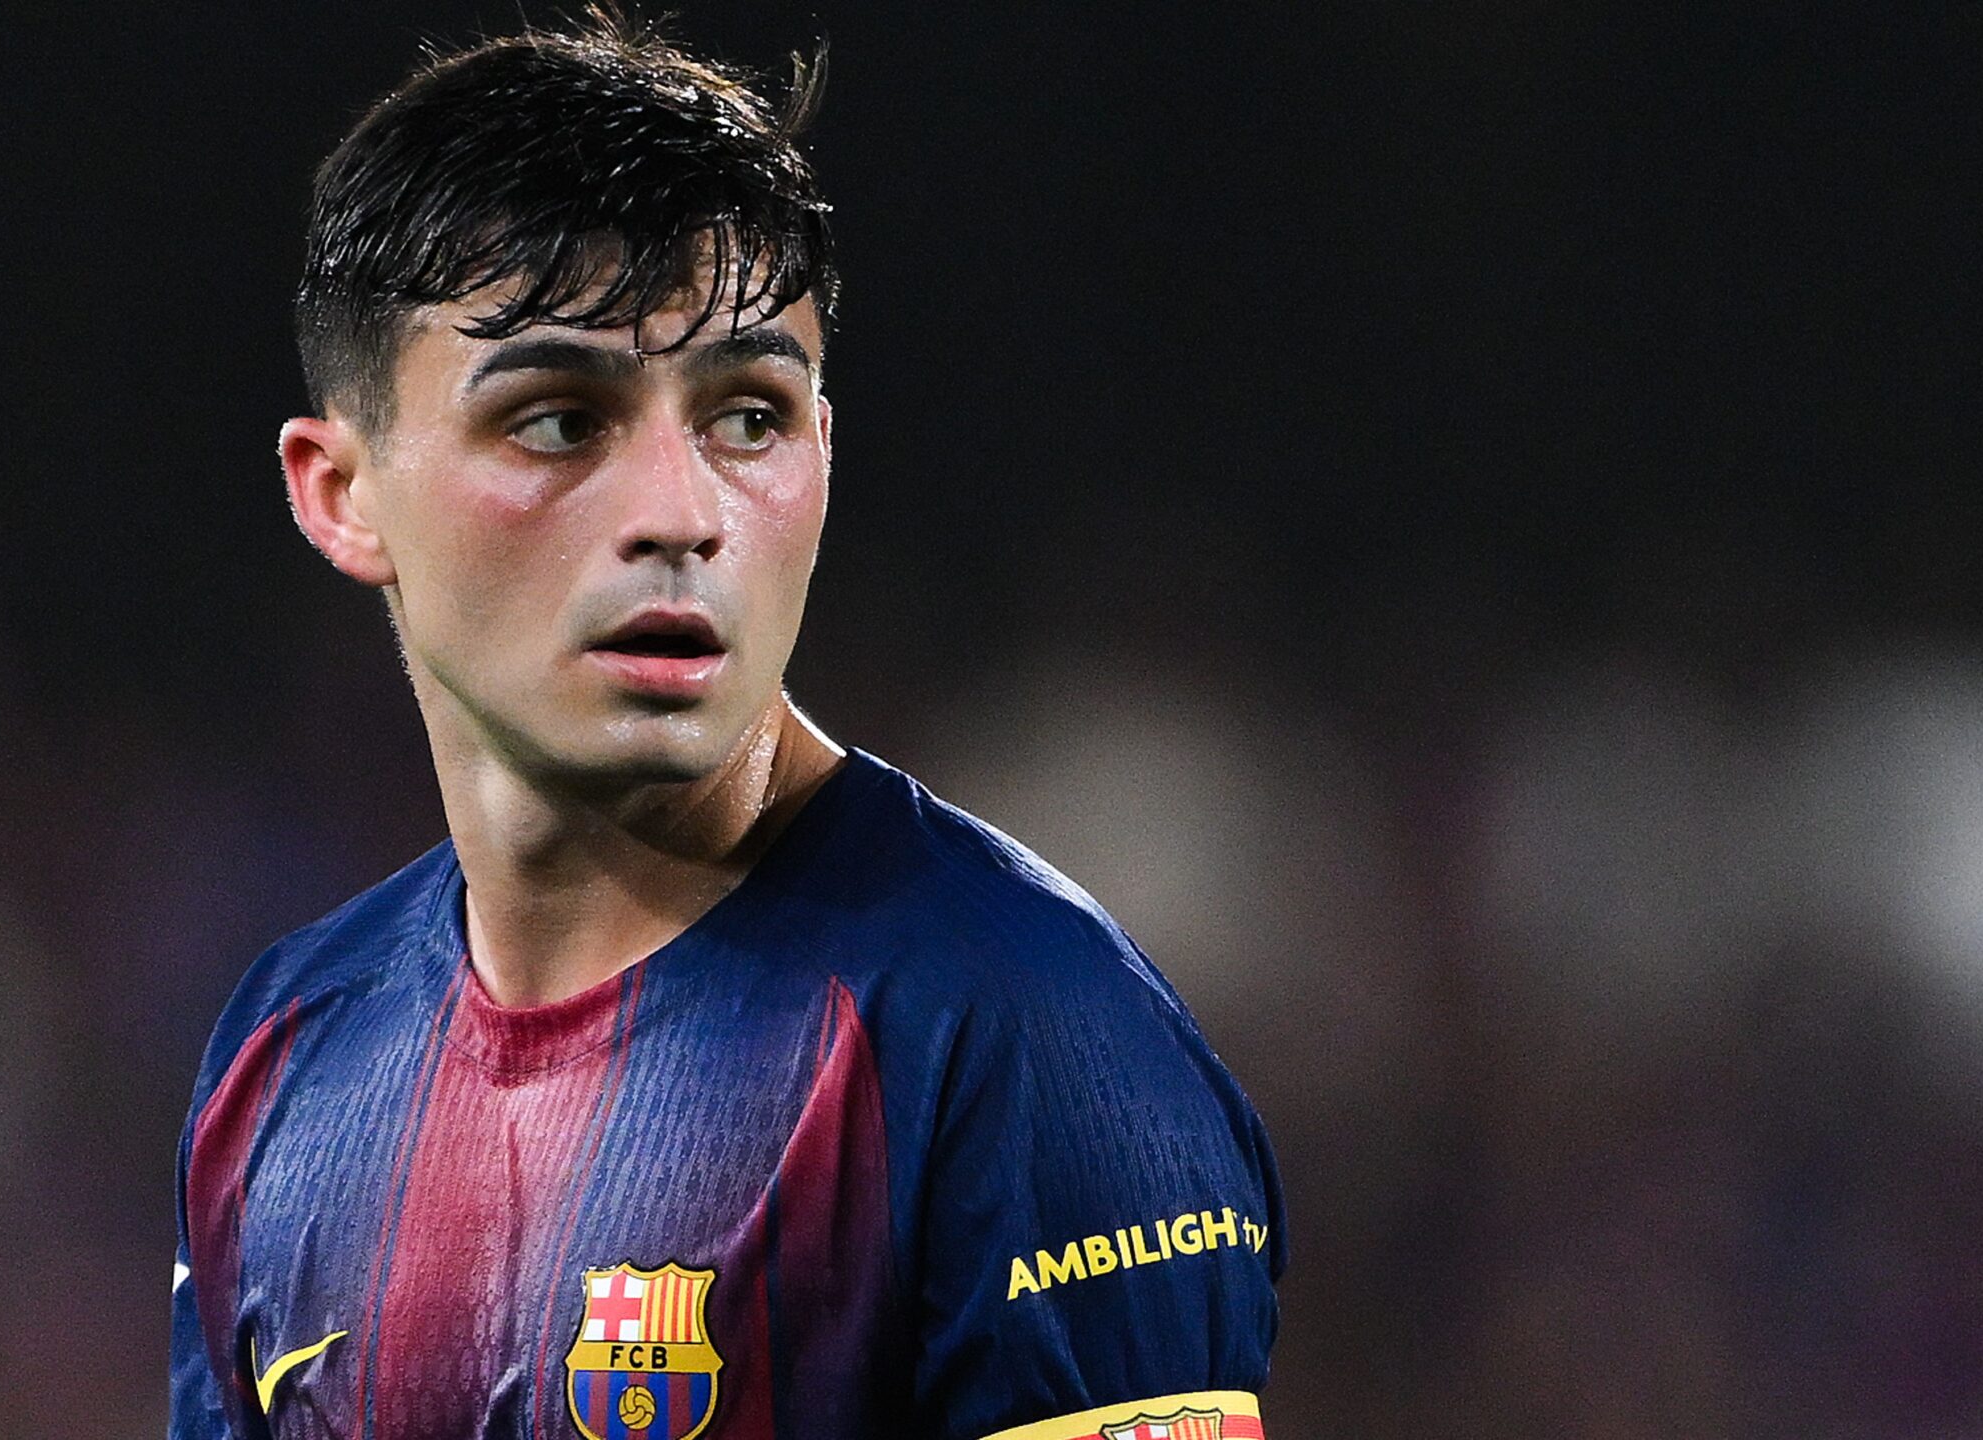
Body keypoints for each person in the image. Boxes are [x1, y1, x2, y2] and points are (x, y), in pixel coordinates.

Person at [170, 16, 1283, 1440]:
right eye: (559, 420)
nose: (681, 513)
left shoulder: (1017, 1034)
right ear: (342, 494)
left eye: (749, 416)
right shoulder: (282, 1056)